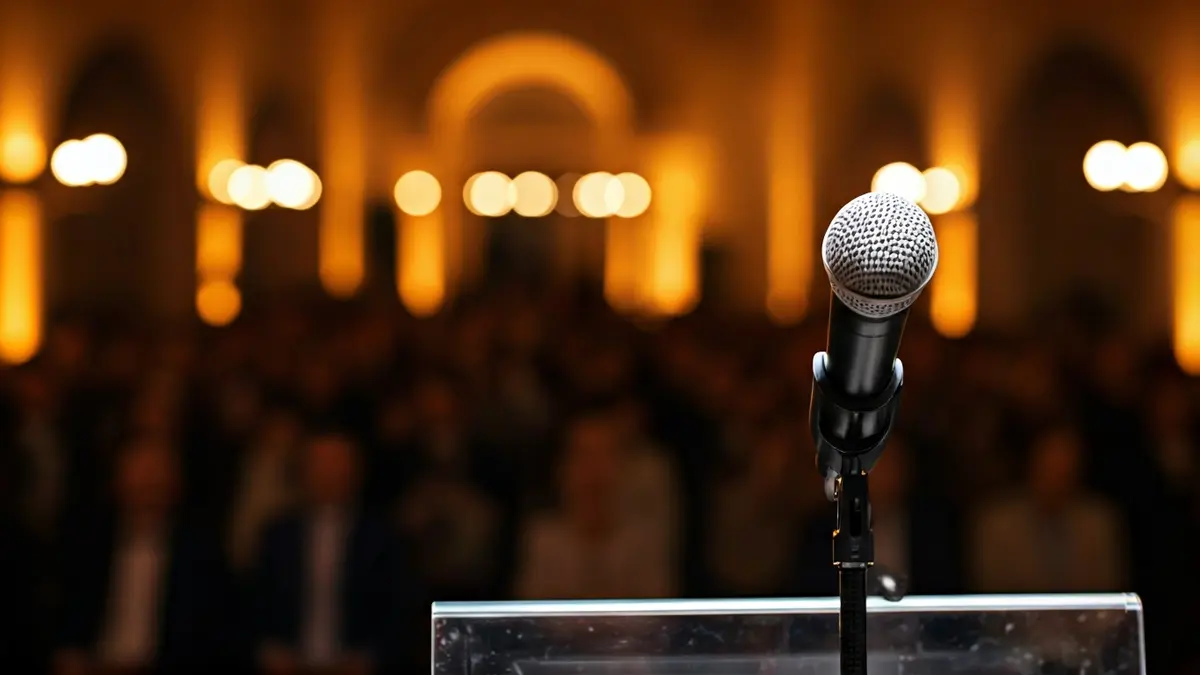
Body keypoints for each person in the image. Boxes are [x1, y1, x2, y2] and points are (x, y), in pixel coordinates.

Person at [55, 436, 225, 674]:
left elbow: (208, 637)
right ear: (117, 480)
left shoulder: (200, 553)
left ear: (176, 483)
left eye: (158, 472)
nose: (150, 482)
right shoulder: (88, 543)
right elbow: (67, 620)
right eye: (141, 472)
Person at [254, 431, 414, 675]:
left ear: (355, 472)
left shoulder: (383, 538)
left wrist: (369, 659)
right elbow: (254, 604)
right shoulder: (277, 536)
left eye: (337, 464)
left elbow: (399, 611)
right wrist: (270, 651)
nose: (328, 474)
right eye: (319, 464)